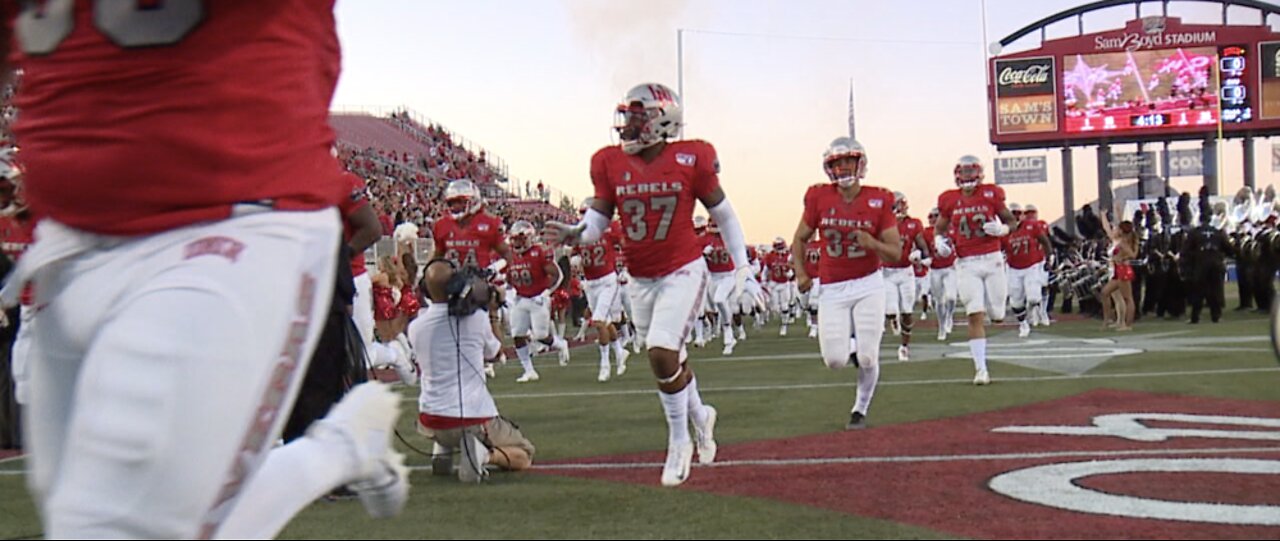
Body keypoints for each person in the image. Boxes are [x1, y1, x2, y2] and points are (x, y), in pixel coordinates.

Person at [0, 2, 407, 538]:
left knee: (120, 522)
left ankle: (339, 446)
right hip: (70, 237)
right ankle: (343, 444)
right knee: (99, 507)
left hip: (232, 216)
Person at [545, 83, 763, 487]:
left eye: (636, 116)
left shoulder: (691, 156)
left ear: (661, 120)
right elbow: (600, 220)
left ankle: (679, 442)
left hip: (682, 268)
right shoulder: (608, 161)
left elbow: (726, 216)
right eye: (626, 115)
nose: (627, 124)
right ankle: (701, 416)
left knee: (661, 352)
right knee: (670, 359)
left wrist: (743, 267)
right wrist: (578, 233)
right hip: (640, 277)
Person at [791, 137, 900, 430]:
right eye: (837, 164)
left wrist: (873, 243)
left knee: (868, 356)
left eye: (848, 162)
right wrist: (801, 272)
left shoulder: (879, 198)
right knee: (835, 360)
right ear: (829, 168)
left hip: (868, 283)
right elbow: (799, 239)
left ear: (860, 164)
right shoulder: (818, 197)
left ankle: (859, 409)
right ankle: (852, 345)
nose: (843, 168)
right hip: (833, 287)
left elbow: (896, 251)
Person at [412, 259, 535, 483]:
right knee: (524, 454)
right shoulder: (476, 318)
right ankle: (482, 455)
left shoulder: (416, 326)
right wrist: (493, 312)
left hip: (429, 419)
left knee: (445, 415)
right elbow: (495, 352)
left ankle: (443, 448)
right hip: (471, 418)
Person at [933, 156, 1018, 386]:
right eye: (964, 172)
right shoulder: (950, 199)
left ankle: (997, 317)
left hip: (992, 260)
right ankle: (981, 369)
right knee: (974, 313)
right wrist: (939, 242)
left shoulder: (991, 194)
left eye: (971, 172)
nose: (968, 177)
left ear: (979, 174)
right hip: (966, 263)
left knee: (997, 314)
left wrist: (1002, 229)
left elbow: (1011, 221)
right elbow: (939, 228)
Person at [573, 202, 631, 382]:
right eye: (581, 213)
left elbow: (626, 245)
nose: (583, 217)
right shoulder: (579, 231)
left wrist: (626, 268)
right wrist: (575, 259)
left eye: (586, 213)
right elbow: (575, 253)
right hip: (591, 283)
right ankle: (620, 352)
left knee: (598, 321)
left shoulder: (609, 227)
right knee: (605, 321)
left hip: (607, 280)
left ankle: (605, 365)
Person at [507, 221, 570, 382]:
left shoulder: (539, 252)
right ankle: (529, 370)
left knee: (541, 335)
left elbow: (558, 275)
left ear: (529, 238)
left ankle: (560, 344)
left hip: (537, 299)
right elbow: (507, 276)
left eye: (520, 239)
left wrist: (546, 293)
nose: (517, 243)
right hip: (520, 298)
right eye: (515, 239)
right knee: (517, 334)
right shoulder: (510, 255)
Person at [882, 192, 927, 361]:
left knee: (907, 311)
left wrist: (919, 254)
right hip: (887, 272)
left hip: (906, 271)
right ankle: (894, 320)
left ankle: (904, 346)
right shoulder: (882, 225)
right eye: (898, 204)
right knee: (892, 310)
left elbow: (922, 245)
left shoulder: (913, 224)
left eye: (902, 204)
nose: (901, 207)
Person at [1003, 203, 1052, 338]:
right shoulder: (1004, 231)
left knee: (1034, 297)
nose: (1016, 216)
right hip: (1013, 268)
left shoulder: (1031, 226)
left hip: (1032, 265)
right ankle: (1023, 323)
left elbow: (1045, 241)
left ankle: (1034, 313)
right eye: (1013, 213)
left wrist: (1049, 258)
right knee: (1016, 301)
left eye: (1018, 213)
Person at [1099, 212, 1139, 331]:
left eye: (1118, 228)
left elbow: (1132, 255)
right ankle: (1111, 320)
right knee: (1105, 292)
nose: (1116, 229)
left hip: (1122, 270)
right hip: (1117, 270)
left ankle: (1126, 324)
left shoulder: (1123, 242)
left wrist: (1122, 258)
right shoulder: (1121, 240)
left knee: (1127, 298)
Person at [924, 208, 958, 341]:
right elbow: (923, 249)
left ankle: (949, 316)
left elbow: (960, 244)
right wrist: (923, 258)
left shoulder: (951, 230)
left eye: (936, 216)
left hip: (950, 268)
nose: (933, 218)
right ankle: (941, 326)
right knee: (939, 300)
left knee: (951, 297)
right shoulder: (927, 232)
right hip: (935, 269)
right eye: (931, 216)